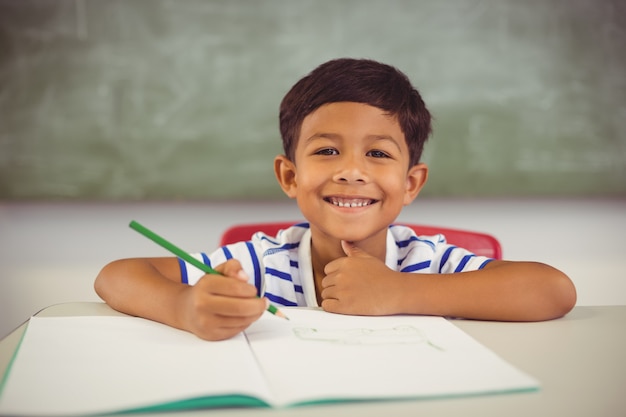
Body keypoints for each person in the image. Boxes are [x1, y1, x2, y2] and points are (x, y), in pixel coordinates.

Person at [95, 58, 577, 341]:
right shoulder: (264, 263)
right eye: (327, 151)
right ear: (289, 175)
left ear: (411, 184)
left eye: (377, 153)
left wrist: (400, 293)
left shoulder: (426, 261)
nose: (351, 170)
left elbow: (553, 291)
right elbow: (115, 276)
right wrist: (184, 307)